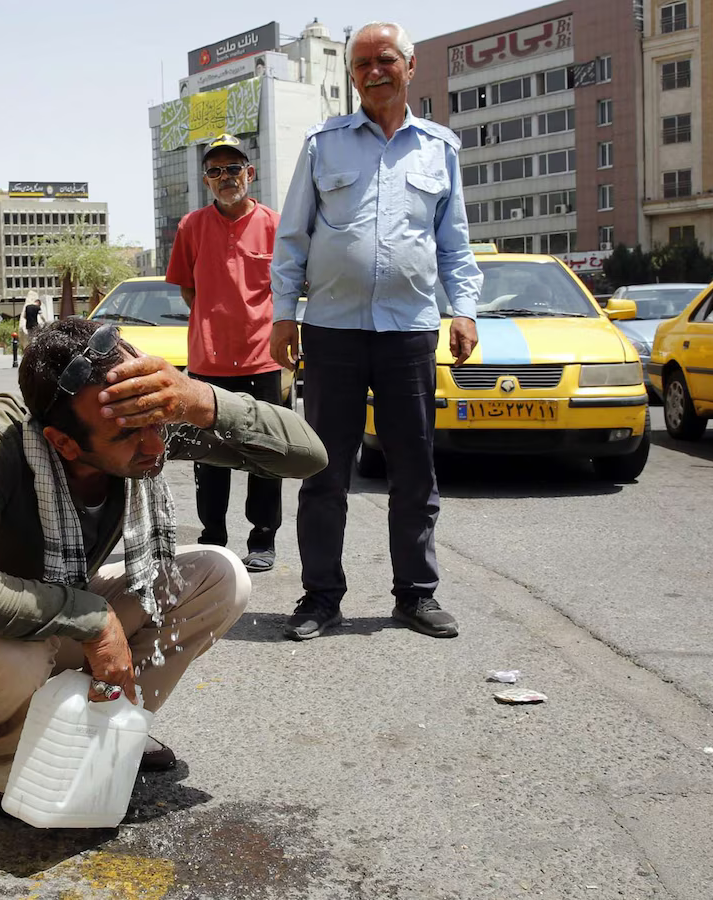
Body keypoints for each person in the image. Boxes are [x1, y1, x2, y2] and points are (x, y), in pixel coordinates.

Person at [0, 317, 327, 806]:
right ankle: (5, 759)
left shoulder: (139, 418)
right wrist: (92, 618)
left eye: (158, 422)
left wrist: (196, 399)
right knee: (14, 652)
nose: (154, 445)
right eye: (128, 437)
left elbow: (307, 455)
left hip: (66, 598)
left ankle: (112, 721)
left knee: (220, 576)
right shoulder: (0, 435)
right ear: (64, 443)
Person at [268, 21, 482, 641]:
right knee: (322, 470)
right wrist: (286, 312)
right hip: (331, 332)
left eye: (384, 60)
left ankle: (416, 594)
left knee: (413, 468)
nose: (372, 71)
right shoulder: (322, 144)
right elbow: (294, 239)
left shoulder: (439, 149)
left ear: (410, 67)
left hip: (409, 332)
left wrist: (462, 309)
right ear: (352, 74)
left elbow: (454, 245)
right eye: (361, 63)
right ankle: (320, 597)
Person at [165, 133, 284, 573]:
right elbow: (188, 289)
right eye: (215, 171)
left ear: (249, 173)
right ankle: (213, 536)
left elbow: (289, 287)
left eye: (233, 168)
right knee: (209, 454)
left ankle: (263, 538)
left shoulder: (275, 223)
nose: (225, 177)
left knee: (264, 453)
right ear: (206, 180)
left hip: (262, 358)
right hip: (208, 362)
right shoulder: (191, 227)